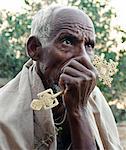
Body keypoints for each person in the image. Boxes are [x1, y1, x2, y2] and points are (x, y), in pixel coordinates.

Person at [0, 5, 123, 150]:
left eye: (89, 45)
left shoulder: (93, 97)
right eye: (67, 42)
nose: (84, 58)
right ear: (34, 48)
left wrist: (79, 109)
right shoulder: (4, 115)